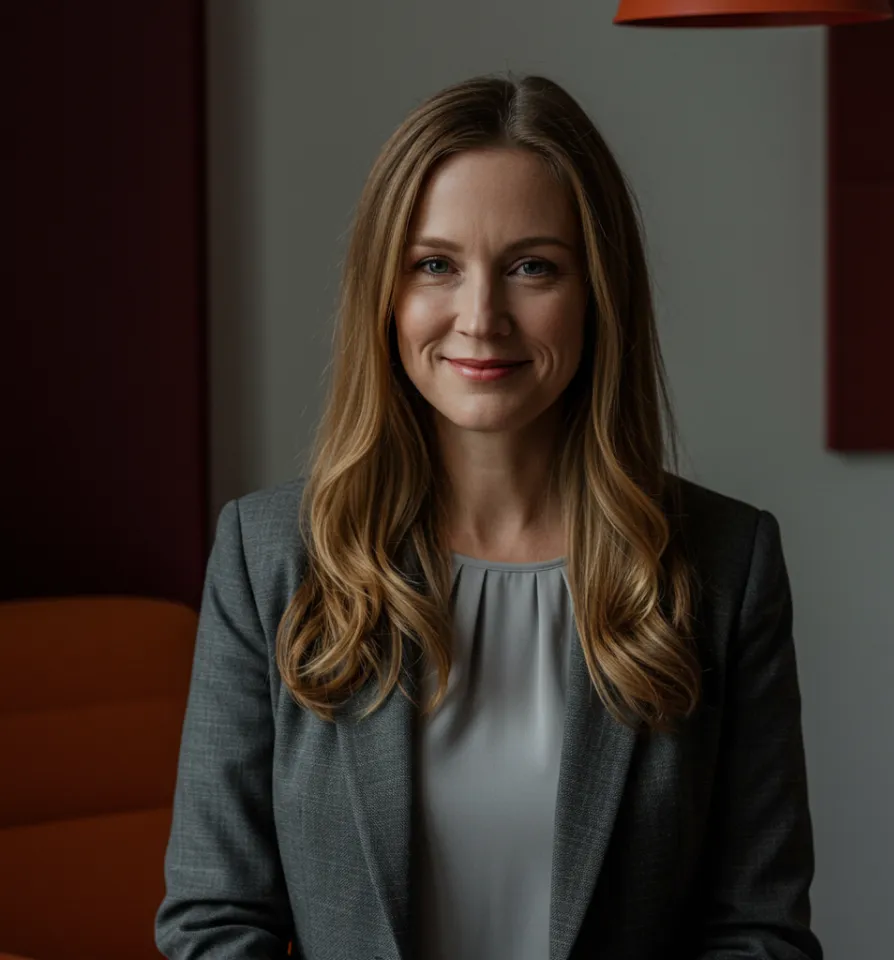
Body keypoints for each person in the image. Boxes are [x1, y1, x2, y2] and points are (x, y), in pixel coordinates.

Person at [155, 73, 822, 960]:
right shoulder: (267, 556)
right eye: (436, 265)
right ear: (385, 296)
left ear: (598, 294)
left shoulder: (726, 564)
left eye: (532, 267)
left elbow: (759, 933)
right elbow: (214, 921)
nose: (480, 317)